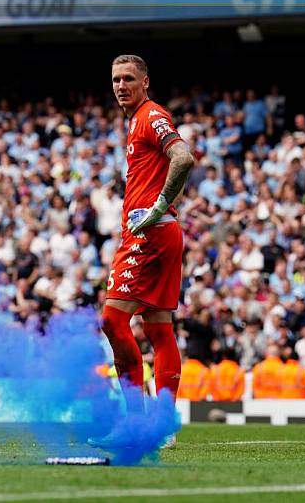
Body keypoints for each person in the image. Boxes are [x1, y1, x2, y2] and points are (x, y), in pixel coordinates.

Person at [89, 55, 195, 449]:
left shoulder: (150, 116)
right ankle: (162, 423)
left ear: (145, 82)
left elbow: (183, 157)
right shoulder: (137, 120)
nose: (120, 85)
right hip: (164, 231)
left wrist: (155, 207)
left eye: (128, 78)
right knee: (159, 328)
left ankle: (136, 420)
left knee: (113, 321)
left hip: (149, 233)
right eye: (115, 79)